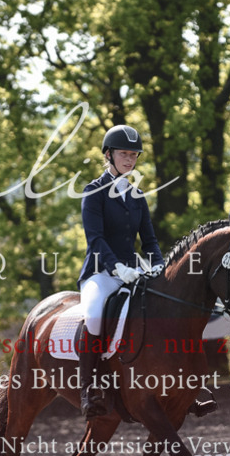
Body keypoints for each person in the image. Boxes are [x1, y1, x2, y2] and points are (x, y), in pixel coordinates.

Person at [77, 124, 218, 419]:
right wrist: (116, 267)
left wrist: (157, 266)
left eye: (134, 155)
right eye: (124, 154)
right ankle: (89, 390)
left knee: (162, 311)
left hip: (134, 270)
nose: (129, 160)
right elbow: (96, 239)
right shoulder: (94, 192)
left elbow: (150, 240)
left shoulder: (137, 196)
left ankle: (183, 388)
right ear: (109, 154)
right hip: (101, 273)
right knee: (93, 315)